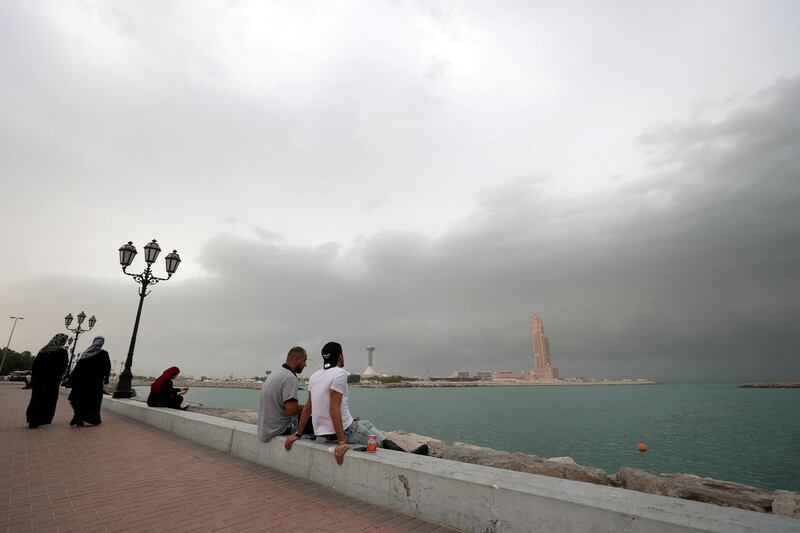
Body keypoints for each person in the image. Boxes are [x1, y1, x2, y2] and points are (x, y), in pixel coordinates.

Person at [286, 341, 427, 465]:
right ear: (340, 356)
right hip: (346, 431)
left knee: (367, 423)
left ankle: (399, 448)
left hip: (323, 433)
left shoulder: (315, 376)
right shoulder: (340, 373)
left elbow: (309, 407)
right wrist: (342, 442)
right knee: (377, 442)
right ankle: (406, 456)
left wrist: (298, 434)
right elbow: (333, 408)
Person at [257, 346, 315, 442]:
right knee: (319, 424)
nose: (305, 365)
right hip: (279, 429)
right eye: (304, 361)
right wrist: (309, 408)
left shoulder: (276, 372)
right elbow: (291, 410)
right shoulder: (290, 377)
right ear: (296, 359)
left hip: (265, 429)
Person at [25, 334, 69, 429]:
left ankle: (32, 419)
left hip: (38, 380)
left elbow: (35, 366)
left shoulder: (43, 350)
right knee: (48, 400)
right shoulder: (62, 352)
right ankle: (39, 419)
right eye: (64, 341)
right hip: (51, 381)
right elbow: (62, 368)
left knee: (36, 398)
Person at [67, 336, 111, 426]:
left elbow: (77, 368)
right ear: (102, 343)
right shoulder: (104, 353)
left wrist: (71, 380)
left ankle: (78, 416)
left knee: (78, 399)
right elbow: (107, 367)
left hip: (81, 382)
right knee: (92, 401)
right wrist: (106, 378)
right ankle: (90, 418)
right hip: (95, 383)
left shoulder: (86, 353)